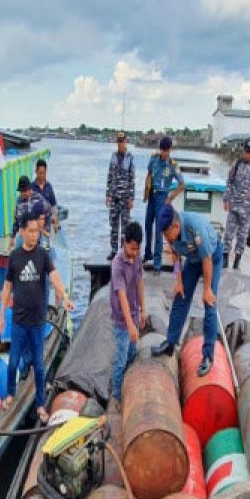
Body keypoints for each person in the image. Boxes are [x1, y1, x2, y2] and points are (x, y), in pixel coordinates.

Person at [0, 216, 75, 423]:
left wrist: (64, 297)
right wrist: (1, 316)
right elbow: (7, 287)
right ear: (22, 231)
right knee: (13, 362)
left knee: (39, 367)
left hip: (38, 322)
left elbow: (55, 277)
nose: (35, 235)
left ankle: (41, 404)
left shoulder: (42, 255)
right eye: (31, 231)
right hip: (19, 322)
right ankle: (10, 394)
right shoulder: (14, 257)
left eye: (37, 231)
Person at [150, 204, 222, 377]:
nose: (167, 239)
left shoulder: (194, 228)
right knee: (180, 297)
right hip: (193, 259)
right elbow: (175, 256)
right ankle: (170, 342)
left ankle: (208, 356)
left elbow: (206, 259)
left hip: (211, 257)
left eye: (168, 235)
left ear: (176, 226)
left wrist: (207, 289)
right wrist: (179, 281)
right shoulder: (172, 236)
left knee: (209, 303)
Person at [109, 221, 145, 406]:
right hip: (122, 319)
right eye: (131, 249)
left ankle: (128, 386)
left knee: (132, 354)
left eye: (137, 249)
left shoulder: (137, 258)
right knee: (121, 359)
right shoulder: (117, 264)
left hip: (134, 312)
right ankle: (116, 394)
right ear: (125, 242)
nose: (134, 253)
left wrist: (143, 310)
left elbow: (139, 282)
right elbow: (122, 296)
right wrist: (130, 325)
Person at [143, 136, 185, 271]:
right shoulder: (153, 159)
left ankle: (157, 263)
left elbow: (182, 184)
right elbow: (149, 173)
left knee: (159, 230)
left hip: (162, 197)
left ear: (170, 150)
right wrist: (146, 189)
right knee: (148, 225)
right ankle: (147, 253)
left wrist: (171, 197)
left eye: (166, 150)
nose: (164, 153)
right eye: (162, 150)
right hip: (152, 196)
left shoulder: (173, 165)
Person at [223, 140, 250, 270]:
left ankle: (237, 262)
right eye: (246, 151)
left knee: (242, 237)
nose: (248, 154)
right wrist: (226, 200)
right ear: (243, 151)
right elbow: (229, 182)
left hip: (246, 209)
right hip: (234, 206)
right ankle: (225, 260)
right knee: (228, 234)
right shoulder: (236, 165)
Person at [105, 131, 135, 260]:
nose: (120, 143)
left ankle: (124, 252)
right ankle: (113, 250)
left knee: (125, 226)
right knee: (113, 225)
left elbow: (132, 179)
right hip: (114, 197)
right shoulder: (113, 156)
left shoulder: (130, 157)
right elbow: (110, 176)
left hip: (125, 197)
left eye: (122, 141)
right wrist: (107, 194)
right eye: (118, 141)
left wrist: (132, 198)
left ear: (125, 141)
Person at [31, 158, 59, 235]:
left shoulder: (49, 187)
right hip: (35, 223)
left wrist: (55, 219)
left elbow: (54, 205)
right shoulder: (31, 187)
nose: (42, 175)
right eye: (40, 173)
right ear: (36, 171)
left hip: (47, 223)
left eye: (44, 173)